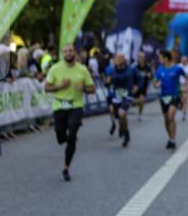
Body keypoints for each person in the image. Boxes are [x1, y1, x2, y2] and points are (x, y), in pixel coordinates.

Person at [44, 44, 95, 182]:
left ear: (75, 53)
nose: (68, 53)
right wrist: (59, 86)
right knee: (60, 137)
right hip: (59, 106)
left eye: (71, 51)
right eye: (65, 51)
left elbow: (92, 88)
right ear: (62, 54)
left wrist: (83, 88)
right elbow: (46, 87)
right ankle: (66, 138)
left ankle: (66, 168)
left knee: (72, 134)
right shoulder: (55, 69)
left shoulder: (82, 70)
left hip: (76, 106)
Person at [104, 53, 138, 147]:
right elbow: (106, 83)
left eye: (120, 58)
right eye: (116, 58)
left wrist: (136, 86)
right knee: (119, 117)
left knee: (121, 113)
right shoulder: (112, 70)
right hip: (116, 97)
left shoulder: (131, 69)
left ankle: (126, 135)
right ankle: (123, 129)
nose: (118, 60)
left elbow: (139, 79)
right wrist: (107, 82)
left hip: (127, 96)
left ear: (124, 59)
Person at [153, 50, 184, 149]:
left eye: (160, 57)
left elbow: (186, 77)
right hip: (164, 97)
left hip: (174, 96)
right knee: (166, 120)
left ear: (166, 58)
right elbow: (155, 82)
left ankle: (173, 139)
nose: (159, 59)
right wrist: (156, 84)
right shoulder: (160, 69)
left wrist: (185, 86)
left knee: (171, 117)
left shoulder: (177, 68)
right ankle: (170, 138)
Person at [134, 51, 153, 121]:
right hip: (136, 86)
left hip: (144, 86)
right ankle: (139, 109)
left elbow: (151, 76)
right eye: (139, 57)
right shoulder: (135, 67)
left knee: (141, 100)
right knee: (137, 101)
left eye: (141, 57)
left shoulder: (147, 67)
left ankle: (139, 114)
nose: (140, 58)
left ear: (144, 58)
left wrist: (149, 76)